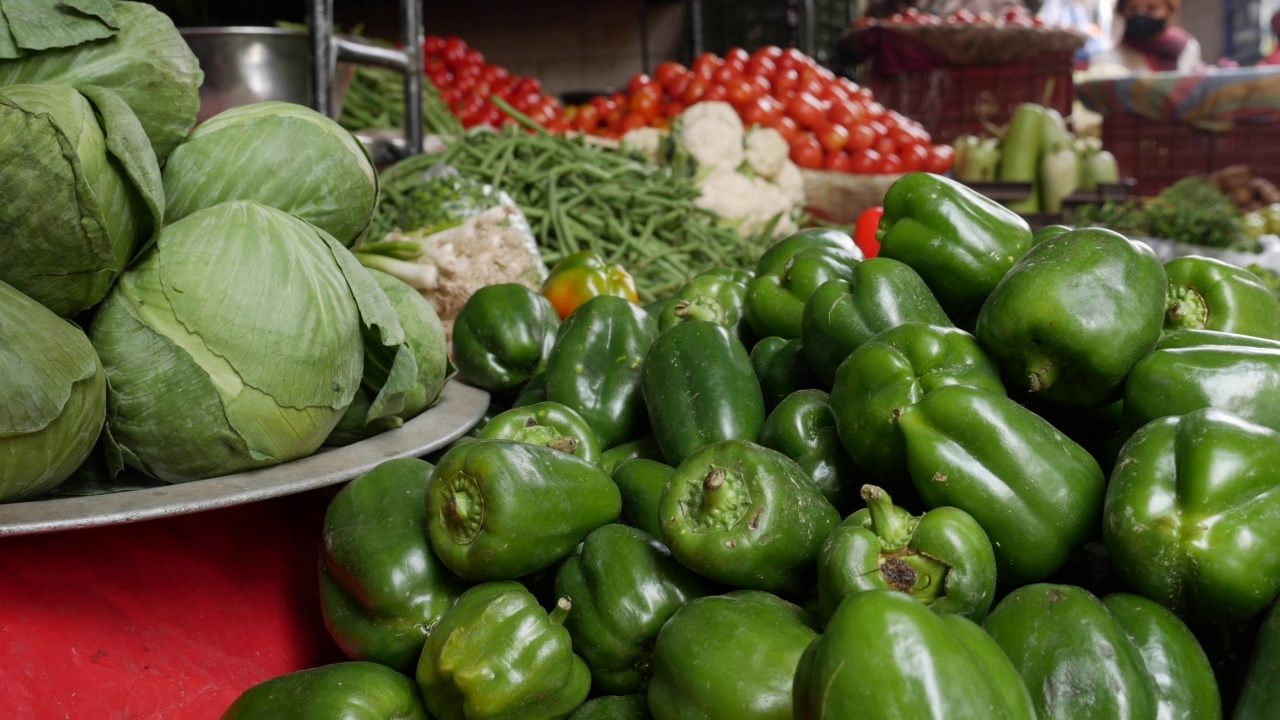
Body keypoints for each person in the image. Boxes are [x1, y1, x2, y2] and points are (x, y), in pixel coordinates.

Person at [1087, 0, 1201, 75]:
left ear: (1169, 10)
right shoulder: (1107, 61)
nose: (1141, 14)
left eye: (1151, 8)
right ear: (1122, 12)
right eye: (1133, 9)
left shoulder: (1186, 47)